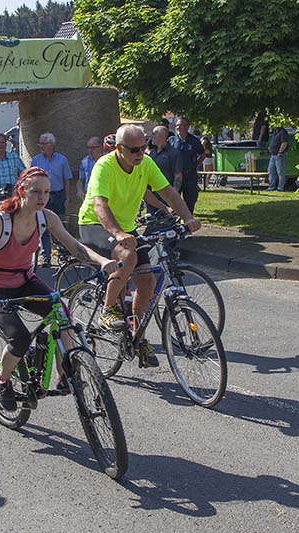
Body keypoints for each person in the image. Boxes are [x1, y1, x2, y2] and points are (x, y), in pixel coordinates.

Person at [0, 166, 118, 411]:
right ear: (21, 191)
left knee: (62, 314)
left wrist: (102, 261)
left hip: (24, 280)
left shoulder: (46, 217)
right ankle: (2, 380)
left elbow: (76, 248)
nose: (42, 197)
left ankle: (66, 374)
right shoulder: (1, 221)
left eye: (47, 192)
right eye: (36, 192)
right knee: (18, 338)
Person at [78, 124, 201, 367]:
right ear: (119, 149)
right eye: (134, 149)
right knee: (129, 256)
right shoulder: (105, 166)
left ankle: (138, 338)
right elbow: (100, 205)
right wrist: (117, 232)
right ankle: (107, 310)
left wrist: (188, 217)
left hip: (125, 228)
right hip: (95, 224)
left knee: (147, 281)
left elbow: (168, 192)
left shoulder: (144, 163)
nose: (140, 153)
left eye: (143, 147)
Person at [30, 133, 73, 267]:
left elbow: (67, 179)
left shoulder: (62, 159)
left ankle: (62, 254)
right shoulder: (36, 160)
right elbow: (31, 179)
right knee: (43, 226)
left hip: (59, 195)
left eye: (44, 143)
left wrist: (67, 197)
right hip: (42, 196)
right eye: (40, 144)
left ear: (52, 145)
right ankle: (46, 256)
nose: (41, 146)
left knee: (60, 224)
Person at [169, 116, 205, 214]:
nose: (178, 127)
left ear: (187, 126)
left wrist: (196, 165)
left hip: (189, 176)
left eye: (181, 125)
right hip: (176, 175)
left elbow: (202, 154)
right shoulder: (172, 140)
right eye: (177, 125)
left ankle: (188, 225)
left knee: (190, 201)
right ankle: (174, 223)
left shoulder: (194, 141)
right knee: (174, 201)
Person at [147, 125, 183, 214]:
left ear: (162, 136)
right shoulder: (152, 152)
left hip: (166, 195)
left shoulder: (173, 153)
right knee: (151, 222)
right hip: (152, 196)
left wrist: (174, 195)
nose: (151, 136)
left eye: (154, 134)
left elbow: (178, 175)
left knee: (165, 224)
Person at [0, 133, 26, 199]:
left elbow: (24, 175)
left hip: (14, 196)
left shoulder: (14, 157)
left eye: (2, 142)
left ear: (6, 144)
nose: (1, 145)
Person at [266, 125, 289, 192]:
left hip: (279, 155)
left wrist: (280, 152)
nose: (273, 125)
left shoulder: (283, 131)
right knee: (271, 171)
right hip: (273, 155)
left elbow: (284, 143)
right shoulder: (275, 132)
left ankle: (280, 188)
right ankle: (271, 187)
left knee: (280, 172)